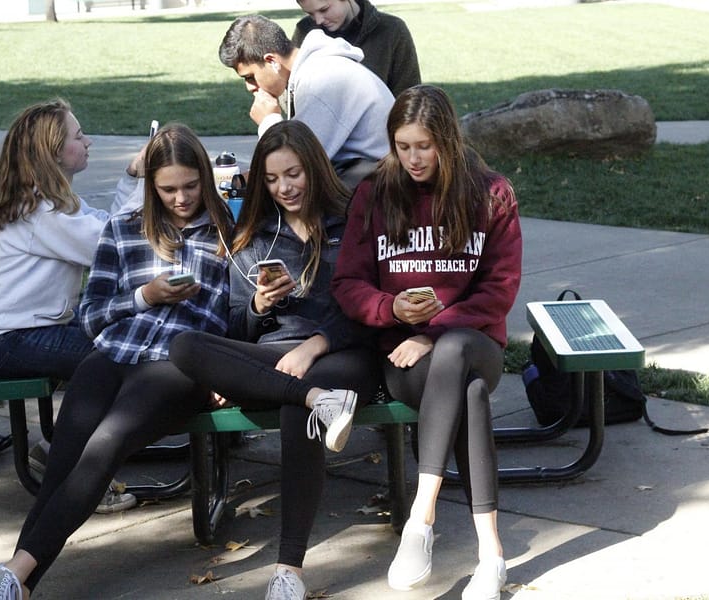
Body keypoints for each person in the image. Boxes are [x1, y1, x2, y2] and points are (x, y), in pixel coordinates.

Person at [0, 123, 235, 600]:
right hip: (113, 352)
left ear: (206, 180)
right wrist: (143, 297)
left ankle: (14, 572)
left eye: (191, 186)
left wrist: (226, 368)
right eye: (168, 189)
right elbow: (91, 315)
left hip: (175, 361)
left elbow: (236, 316)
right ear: (151, 186)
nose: (180, 198)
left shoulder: (228, 232)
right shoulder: (124, 228)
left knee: (106, 442)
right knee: (66, 455)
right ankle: (20, 582)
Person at [170, 119, 379, 600]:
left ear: (316, 169)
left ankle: (289, 570)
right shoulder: (257, 237)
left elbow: (374, 310)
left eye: (293, 174)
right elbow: (236, 327)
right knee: (185, 346)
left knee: (294, 411)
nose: (283, 188)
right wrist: (259, 305)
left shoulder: (353, 222)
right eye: (270, 179)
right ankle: (317, 399)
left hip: (343, 354)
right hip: (277, 359)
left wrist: (315, 345)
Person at [331, 85, 523, 600]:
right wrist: (391, 310)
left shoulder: (491, 193)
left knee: (457, 350)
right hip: (404, 359)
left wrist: (432, 332)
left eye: (424, 146)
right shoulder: (375, 194)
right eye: (403, 145)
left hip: (475, 345)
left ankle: (421, 516)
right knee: (470, 396)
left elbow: (500, 291)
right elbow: (347, 284)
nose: (413, 158)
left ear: (448, 141)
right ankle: (492, 556)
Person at [0, 98, 135, 514]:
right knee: (109, 358)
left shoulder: (46, 201)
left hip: (15, 330)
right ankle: (77, 470)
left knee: (116, 339)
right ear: (54, 151)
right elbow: (110, 246)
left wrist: (132, 179)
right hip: (10, 338)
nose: (88, 141)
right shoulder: (41, 213)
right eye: (78, 136)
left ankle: (56, 446)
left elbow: (106, 226)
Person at [218, 14, 394, 191]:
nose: (250, 87)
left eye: (250, 77)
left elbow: (291, 166)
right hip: (368, 179)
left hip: (382, 189)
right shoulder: (315, 69)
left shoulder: (319, 81)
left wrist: (268, 122)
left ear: (272, 61)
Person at [292, 0, 421, 97]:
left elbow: (410, 95)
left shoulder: (392, 30)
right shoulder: (305, 31)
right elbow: (291, 91)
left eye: (324, 10)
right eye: (310, 13)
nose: (318, 20)